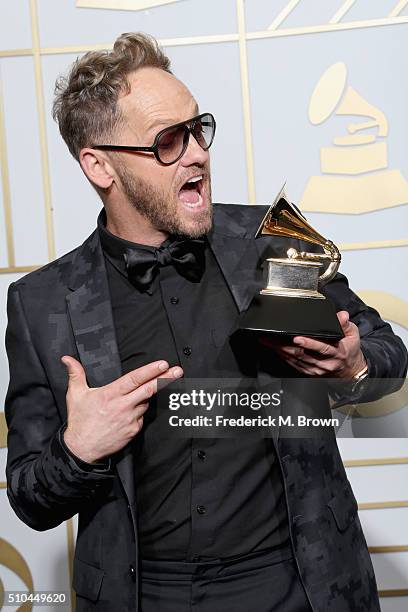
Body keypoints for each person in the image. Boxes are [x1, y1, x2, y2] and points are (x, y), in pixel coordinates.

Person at [5, 32, 407, 612]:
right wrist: (78, 449)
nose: (196, 152)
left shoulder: (270, 240)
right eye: (167, 140)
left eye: (199, 129)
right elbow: (29, 499)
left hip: (302, 587)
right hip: (144, 597)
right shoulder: (41, 303)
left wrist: (356, 364)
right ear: (99, 165)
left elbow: (386, 353)